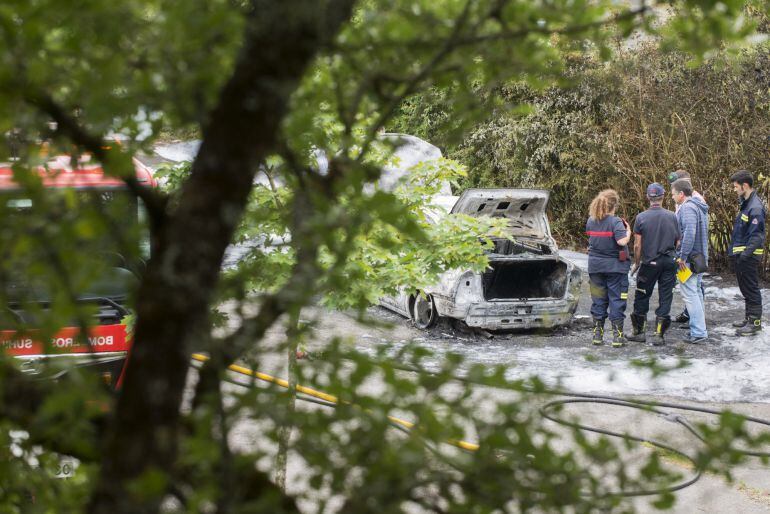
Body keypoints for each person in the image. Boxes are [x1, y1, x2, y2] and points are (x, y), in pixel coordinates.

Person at [626, 183, 679, 345]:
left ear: (648, 197)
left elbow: (637, 245)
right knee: (666, 296)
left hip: (649, 263)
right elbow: (678, 241)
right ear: (663, 197)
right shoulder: (672, 216)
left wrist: (637, 263)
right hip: (669, 262)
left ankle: (639, 332)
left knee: (642, 295)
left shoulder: (641, 217)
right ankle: (658, 335)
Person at [586, 189, 632, 347]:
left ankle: (597, 335)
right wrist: (629, 232)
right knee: (616, 300)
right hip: (615, 269)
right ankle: (618, 337)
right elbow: (621, 242)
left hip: (595, 268)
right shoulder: (616, 222)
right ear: (615, 205)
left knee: (598, 300)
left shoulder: (591, 221)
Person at [671, 179, 709, 343]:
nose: (672, 197)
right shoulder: (697, 206)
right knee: (696, 292)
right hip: (698, 258)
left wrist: (682, 257)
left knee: (690, 294)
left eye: (673, 194)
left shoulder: (687, 208)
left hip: (689, 260)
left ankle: (699, 332)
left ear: (681, 194)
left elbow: (689, 234)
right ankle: (699, 329)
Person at [729, 170, 766, 336]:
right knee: (745, 288)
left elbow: (757, 235)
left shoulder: (755, 207)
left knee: (751, 288)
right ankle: (748, 318)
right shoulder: (746, 204)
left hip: (748, 257)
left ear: (745, 186)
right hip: (742, 255)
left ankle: (755, 322)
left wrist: (745, 255)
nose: (734, 189)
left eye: (736, 187)